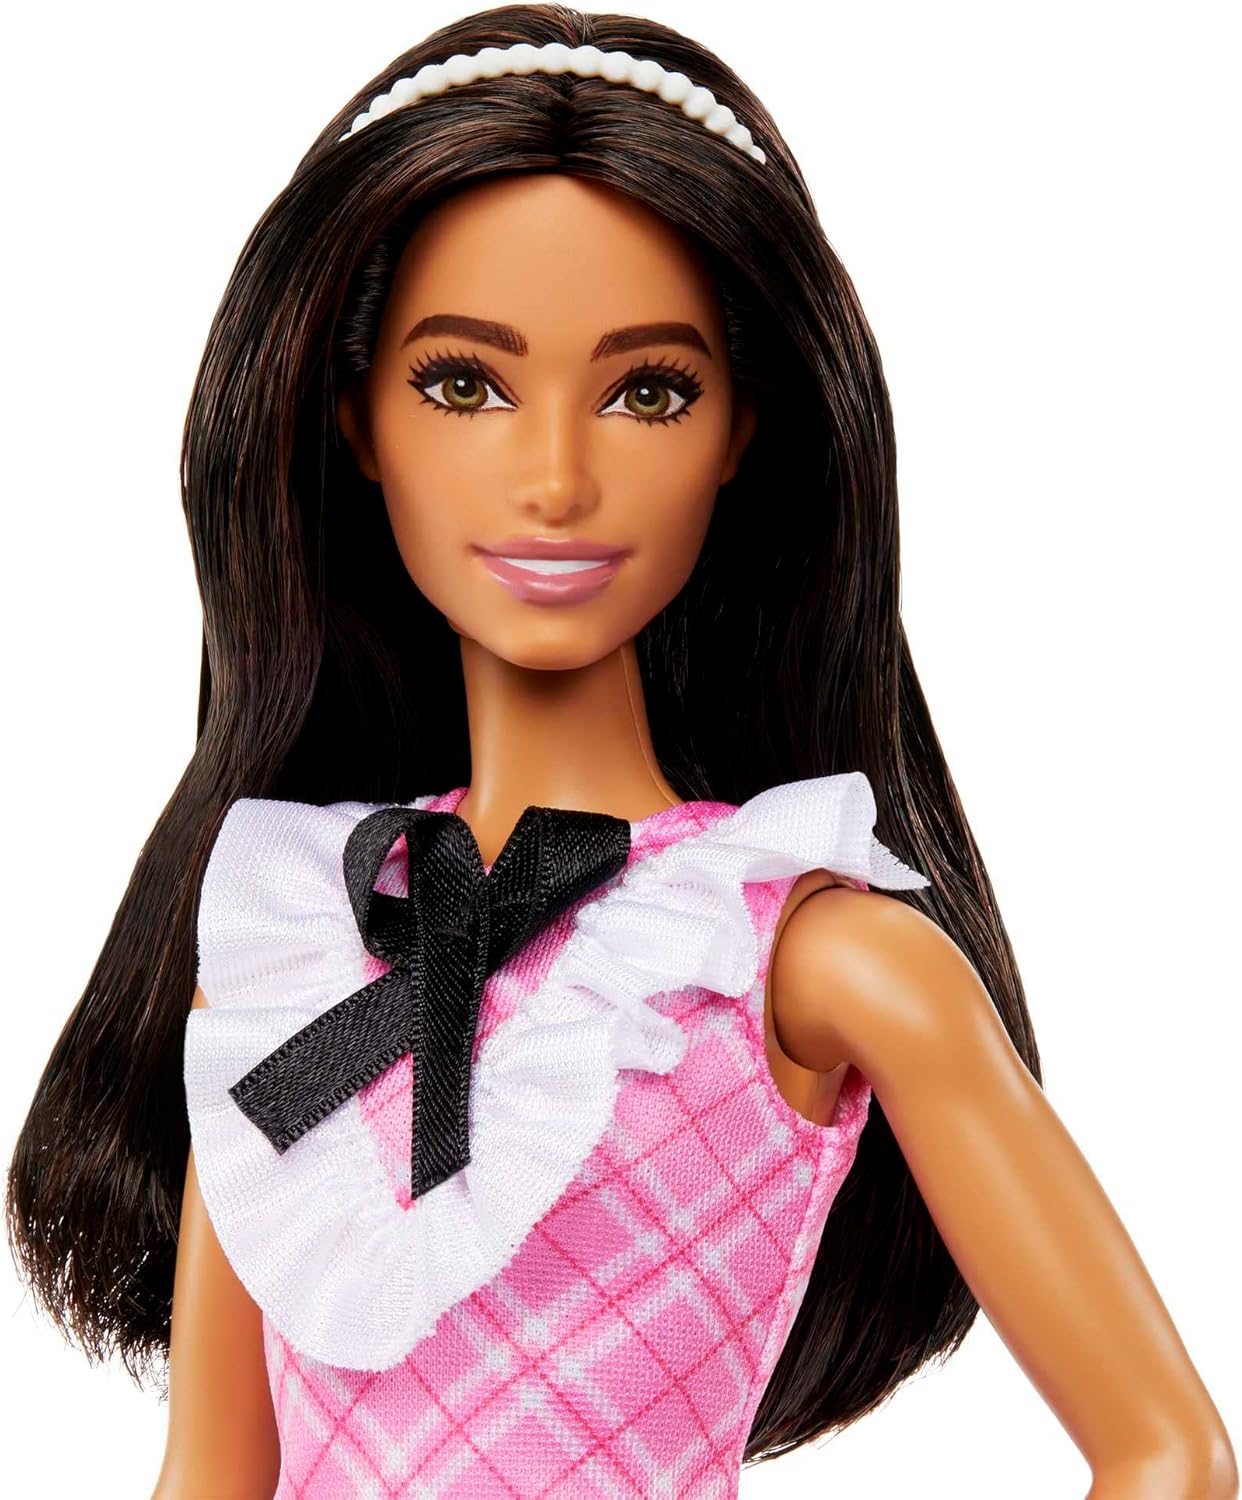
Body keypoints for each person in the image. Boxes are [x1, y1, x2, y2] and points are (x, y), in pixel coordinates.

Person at [7, 6, 1236, 1497]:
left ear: (739, 434)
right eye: (462, 383)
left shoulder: (810, 956)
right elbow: (211, 1475)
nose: (555, 478)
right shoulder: (295, 936)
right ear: (357, 423)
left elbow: (1168, 1454)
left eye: (649, 390)